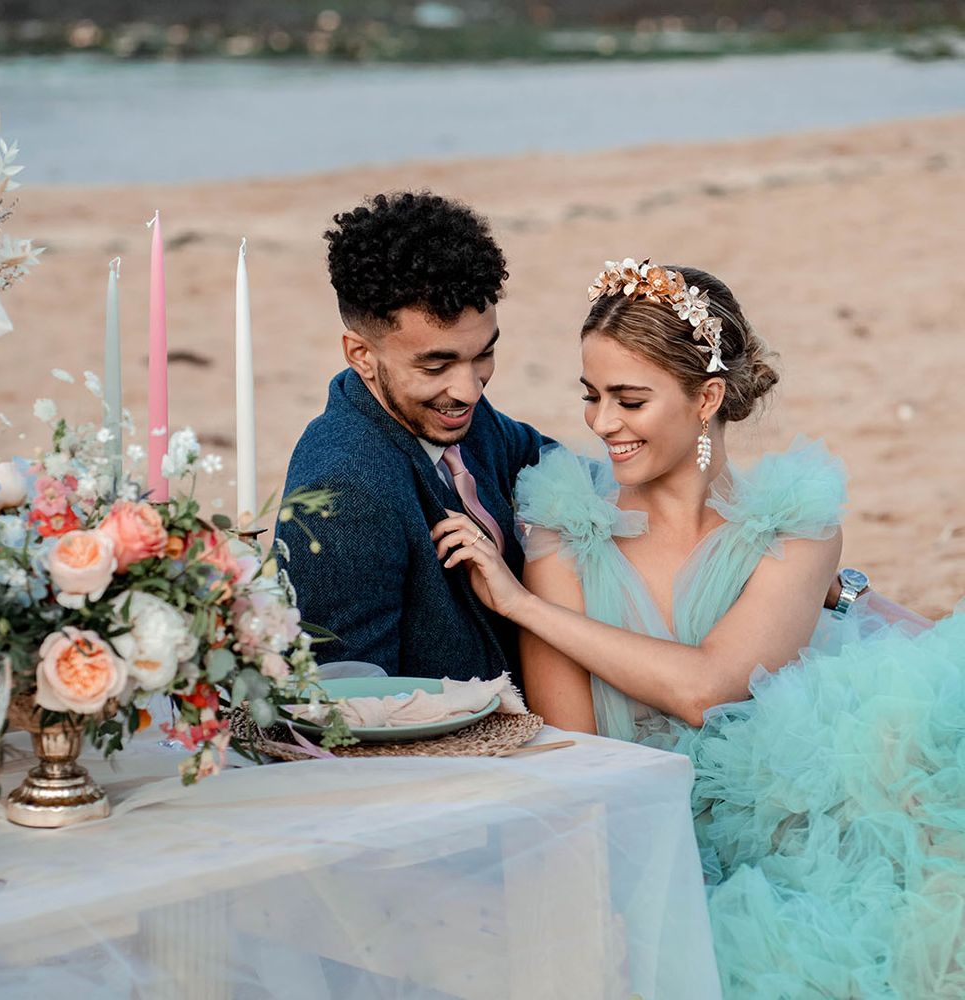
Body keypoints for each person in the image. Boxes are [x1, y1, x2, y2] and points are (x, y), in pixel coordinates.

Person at [432, 258, 963, 998]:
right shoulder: (568, 526)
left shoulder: (795, 526)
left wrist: (521, 605)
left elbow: (710, 688)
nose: (601, 423)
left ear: (707, 396)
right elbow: (575, 754)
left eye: (630, 399)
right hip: (652, 841)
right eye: (591, 397)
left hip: (803, 820)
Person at [276, 192, 546, 682]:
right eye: (436, 365)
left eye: (483, 354)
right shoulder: (344, 493)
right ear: (360, 354)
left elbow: (549, 463)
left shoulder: (458, 413)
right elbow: (351, 707)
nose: (467, 390)